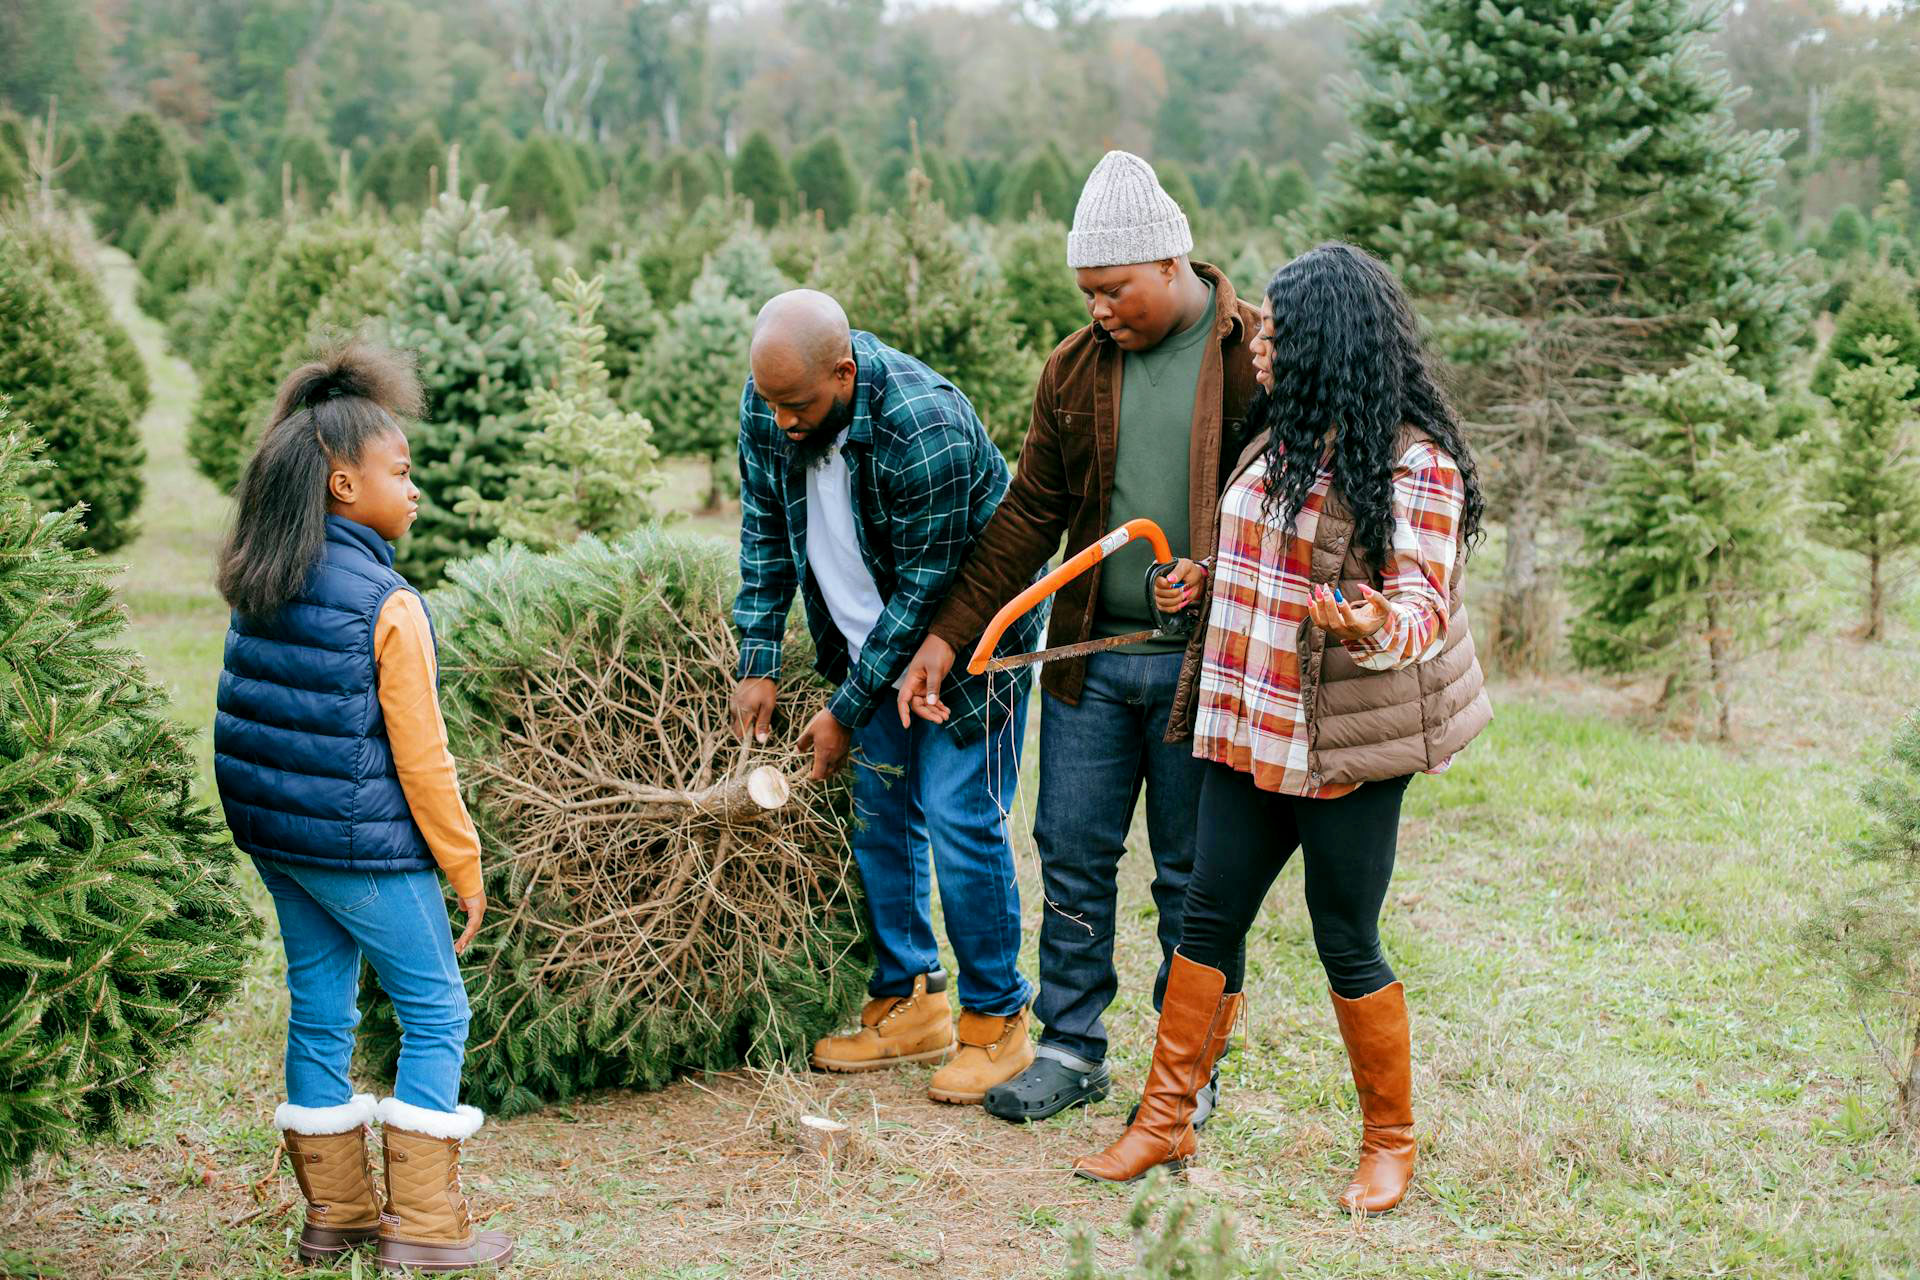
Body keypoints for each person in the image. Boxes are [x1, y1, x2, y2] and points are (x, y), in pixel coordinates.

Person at [1071, 243, 1492, 1213]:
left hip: (1342, 742)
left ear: (1330, 345)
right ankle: (1162, 1119)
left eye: (1279, 334)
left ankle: (1389, 1139)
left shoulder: (1415, 465)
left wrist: (1369, 619)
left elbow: (1422, 608)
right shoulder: (1284, 436)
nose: (1259, 344)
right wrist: (1201, 583)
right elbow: (1259, 561)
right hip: (1248, 724)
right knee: (1206, 917)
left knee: (1345, 935)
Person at [897, 151, 1261, 1125]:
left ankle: (1191, 1066)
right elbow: (1028, 516)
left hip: (1204, 671)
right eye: (1087, 292)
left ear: (1171, 263)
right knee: (1070, 850)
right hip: (1091, 670)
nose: (1099, 308)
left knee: (1192, 873)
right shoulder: (1074, 369)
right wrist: (950, 634)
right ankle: (1067, 1046)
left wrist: (1218, 572)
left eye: (1114, 289)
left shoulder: (1251, 352)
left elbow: (1300, 507)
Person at [212, 341, 513, 1271]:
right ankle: (423, 1226)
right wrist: (465, 867)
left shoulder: (264, 573)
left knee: (319, 1006)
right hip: (362, 849)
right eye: (402, 471)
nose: (415, 489)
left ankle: (334, 1216)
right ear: (344, 485)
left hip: (278, 839)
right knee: (436, 1011)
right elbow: (424, 763)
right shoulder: (389, 602)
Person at [729, 290, 1045, 1106]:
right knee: (880, 807)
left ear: (845, 370)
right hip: (869, 641)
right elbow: (765, 531)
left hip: (970, 641)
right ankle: (912, 1000)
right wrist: (758, 658)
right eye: (771, 405)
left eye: (799, 406)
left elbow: (924, 592)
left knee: (957, 815)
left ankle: (996, 1022)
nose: (784, 424)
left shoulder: (922, 425)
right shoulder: (774, 400)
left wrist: (842, 709)